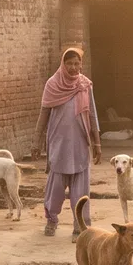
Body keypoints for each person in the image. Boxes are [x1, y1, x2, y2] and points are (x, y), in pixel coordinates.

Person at [34, 47, 101, 237]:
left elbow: (93, 115)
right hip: (59, 145)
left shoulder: (85, 85)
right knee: (55, 189)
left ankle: (80, 226)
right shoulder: (52, 84)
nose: (73, 67)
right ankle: (51, 220)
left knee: (81, 192)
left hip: (80, 144)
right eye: (69, 63)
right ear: (63, 64)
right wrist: (36, 142)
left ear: (81, 64)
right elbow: (43, 115)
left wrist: (97, 144)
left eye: (76, 63)